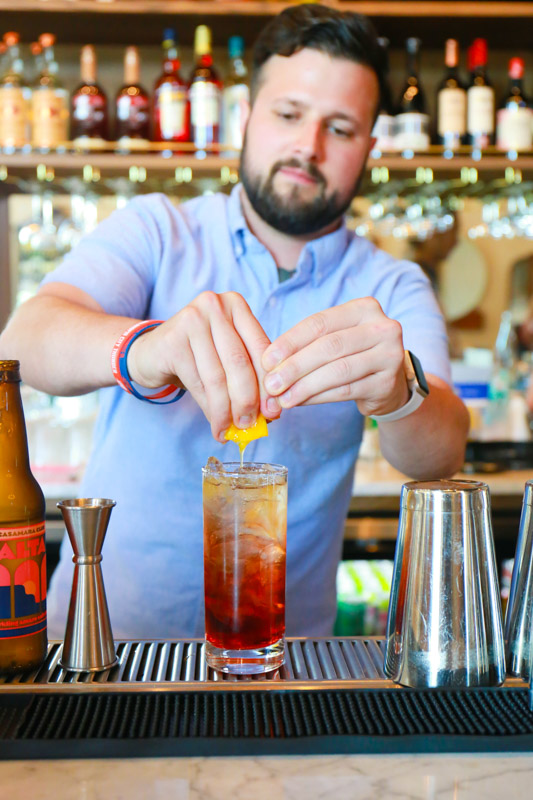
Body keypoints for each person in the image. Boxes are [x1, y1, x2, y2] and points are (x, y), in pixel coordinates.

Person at [0, 4, 469, 640]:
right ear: (246, 118)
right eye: (288, 114)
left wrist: (401, 390)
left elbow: (439, 456)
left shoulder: (391, 286)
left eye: (340, 127)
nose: (308, 146)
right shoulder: (158, 229)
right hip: (103, 645)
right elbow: (23, 341)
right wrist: (147, 346)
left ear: (370, 147)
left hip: (284, 661)